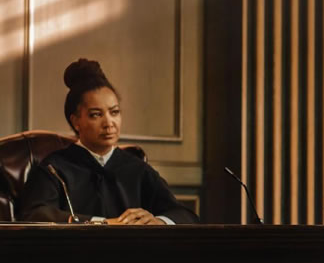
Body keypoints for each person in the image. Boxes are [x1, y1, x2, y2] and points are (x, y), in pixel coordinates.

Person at [18, 58, 199, 225]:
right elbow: (35, 214)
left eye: (114, 112)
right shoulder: (54, 169)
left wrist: (158, 222)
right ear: (75, 121)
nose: (109, 123)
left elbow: (184, 215)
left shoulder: (138, 169)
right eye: (96, 115)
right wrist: (102, 223)